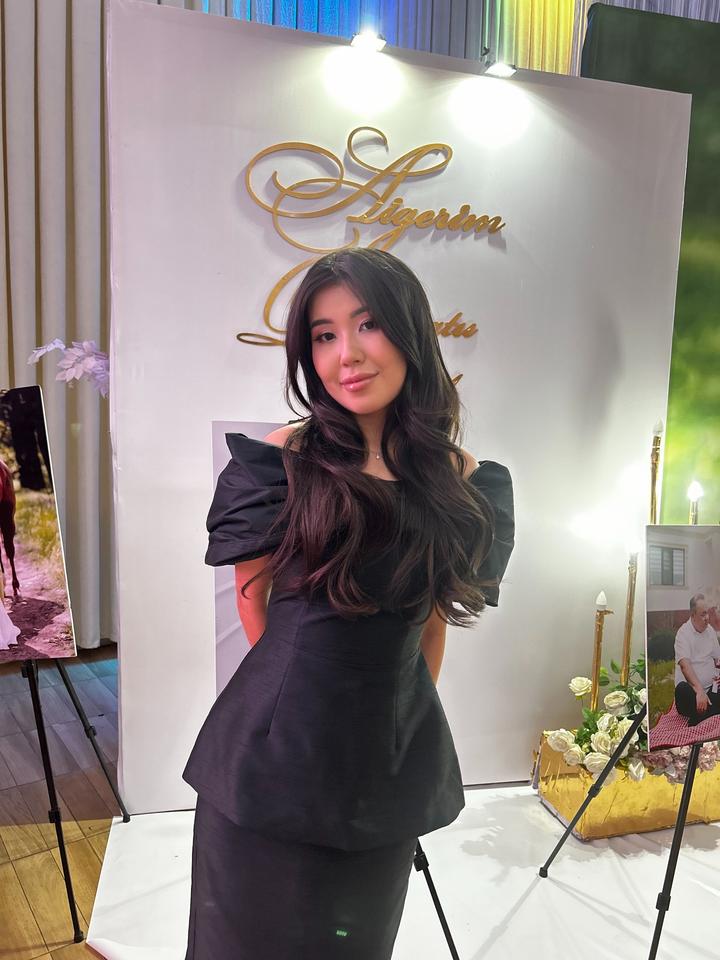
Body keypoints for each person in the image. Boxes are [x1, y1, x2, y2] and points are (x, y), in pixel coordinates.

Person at [182, 248, 515, 959]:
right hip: (268, 764)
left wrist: (386, 729)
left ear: (409, 330)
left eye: (367, 325)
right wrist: (307, 708)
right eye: (324, 336)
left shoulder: (461, 481)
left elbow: (431, 628)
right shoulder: (280, 461)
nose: (347, 356)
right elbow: (253, 601)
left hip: (383, 776)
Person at [674, 594, 720, 727]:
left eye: (708, 613)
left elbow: (718, 659)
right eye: (703, 614)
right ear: (693, 615)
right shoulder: (683, 634)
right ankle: (712, 713)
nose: (707, 618)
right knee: (682, 689)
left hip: (711, 690)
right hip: (692, 693)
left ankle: (702, 716)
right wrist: (699, 691)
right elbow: (685, 666)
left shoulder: (710, 631)